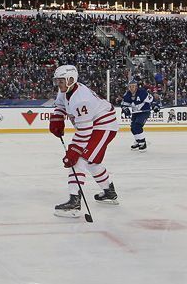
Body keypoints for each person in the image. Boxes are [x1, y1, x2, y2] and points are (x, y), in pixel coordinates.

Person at [50, 64, 120, 217]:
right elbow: (61, 104)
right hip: (95, 126)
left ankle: (74, 202)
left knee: (78, 160)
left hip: (103, 126)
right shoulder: (66, 89)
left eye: (61, 81)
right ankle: (109, 192)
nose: (58, 84)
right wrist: (57, 118)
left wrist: (73, 151)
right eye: (57, 81)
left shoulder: (81, 100)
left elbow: (85, 132)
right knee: (92, 162)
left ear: (70, 79)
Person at [120, 78, 158, 151]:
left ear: (136, 86)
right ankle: (138, 141)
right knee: (133, 128)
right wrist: (125, 109)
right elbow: (124, 104)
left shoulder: (142, 92)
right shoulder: (127, 94)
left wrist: (155, 106)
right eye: (130, 86)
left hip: (144, 112)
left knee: (137, 125)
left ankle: (143, 143)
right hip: (135, 113)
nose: (131, 88)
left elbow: (152, 100)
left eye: (133, 86)